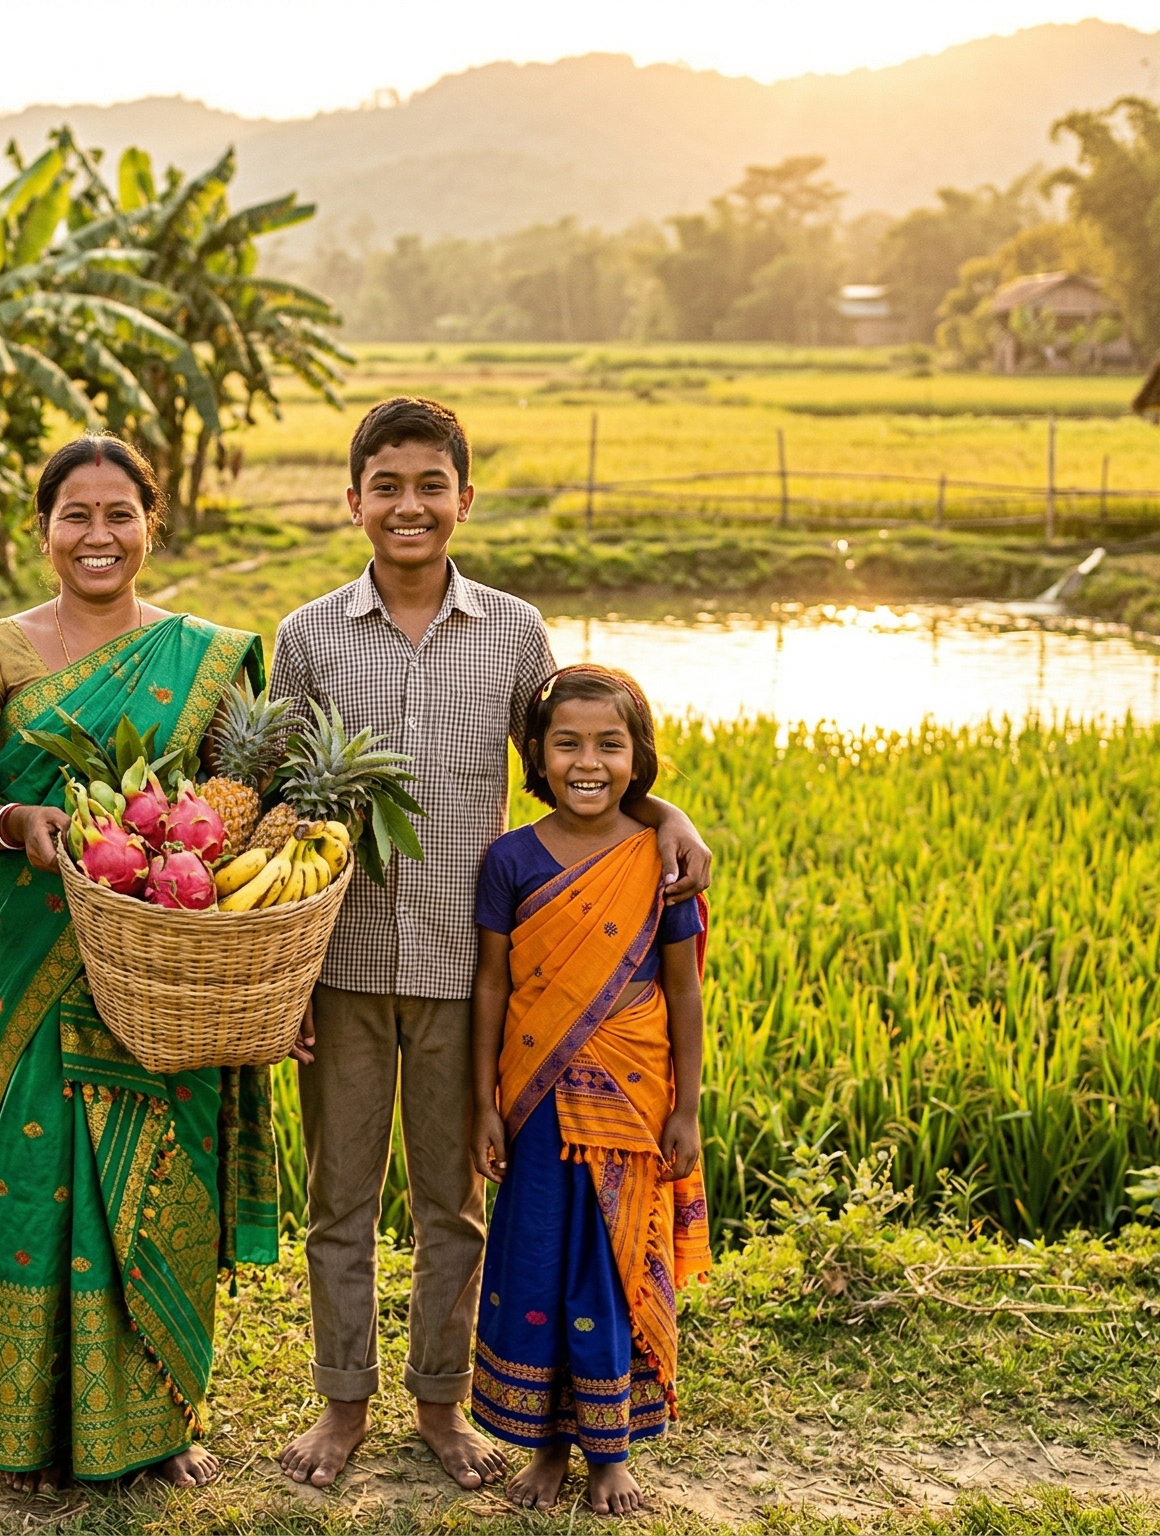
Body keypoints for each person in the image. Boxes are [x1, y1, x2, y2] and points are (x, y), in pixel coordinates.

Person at [270, 396, 712, 1492]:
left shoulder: (514, 632)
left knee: (453, 1203)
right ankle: (340, 1405)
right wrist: (275, 982)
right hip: (340, 965)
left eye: (431, 486)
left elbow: (580, 760)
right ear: (353, 502)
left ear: (463, 500)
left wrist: (667, 816)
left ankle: (436, 1403)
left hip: (476, 980)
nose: (408, 506)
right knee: (338, 1203)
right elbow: (277, 807)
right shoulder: (308, 635)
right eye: (387, 486)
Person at [0, 436, 279, 1491]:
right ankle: (26, 1434)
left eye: (118, 514)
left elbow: (243, 817)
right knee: (34, 1174)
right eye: (74, 516)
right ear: (41, 531)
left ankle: (156, 1428)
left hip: (163, 967)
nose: (98, 536)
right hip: (39, 952)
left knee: (160, 1167)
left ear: (150, 523)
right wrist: (12, 823)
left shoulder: (210, 656)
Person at [469, 663, 711, 1516]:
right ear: (535, 753)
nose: (588, 761)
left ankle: (611, 1453)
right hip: (534, 1101)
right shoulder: (510, 859)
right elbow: (493, 988)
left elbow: (683, 988)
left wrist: (685, 1107)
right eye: (567, 742)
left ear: (638, 759)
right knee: (534, 1261)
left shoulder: (660, 857)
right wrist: (485, 1104)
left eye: (611, 744)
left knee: (613, 1265)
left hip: (635, 1095)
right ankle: (542, 1445)